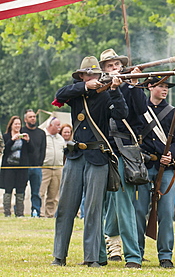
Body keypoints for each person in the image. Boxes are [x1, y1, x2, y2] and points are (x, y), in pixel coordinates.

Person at [52, 56, 128, 267]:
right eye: (88, 74)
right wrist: (85, 86)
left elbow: (122, 114)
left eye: (94, 74)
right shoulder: (77, 93)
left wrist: (114, 89)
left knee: (94, 210)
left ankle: (92, 258)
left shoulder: (106, 96)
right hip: (76, 155)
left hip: (97, 157)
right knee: (66, 208)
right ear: (82, 76)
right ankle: (59, 256)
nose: (92, 76)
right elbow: (60, 94)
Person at [100, 48, 147, 269]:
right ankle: (106, 247)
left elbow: (141, 109)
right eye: (109, 66)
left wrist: (135, 84)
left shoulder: (131, 86)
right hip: (100, 151)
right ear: (102, 70)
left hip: (123, 150)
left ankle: (132, 256)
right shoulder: (97, 88)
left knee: (124, 203)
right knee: (105, 204)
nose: (114, 68)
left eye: (117, 65)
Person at [133, 77, 175, 268]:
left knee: (167, 212)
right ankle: (136, 254)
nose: (164, 89)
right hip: (144, 166)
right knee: (139, 211)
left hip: (165, 168)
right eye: (161, 85)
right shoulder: (139, 109)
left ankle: (165, 256)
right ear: (150, 87)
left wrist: (171, 155)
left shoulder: (174, 113)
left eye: (166, 86)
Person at [0, 116, 33, 217]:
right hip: (9, 167)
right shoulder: (6, 137)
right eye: (16, 124)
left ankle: (19, 213)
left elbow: (31, 151)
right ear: (11, 125)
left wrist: (28, 141)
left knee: (20, 190)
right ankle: (7, 213)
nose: (18, 126)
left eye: (19, 124)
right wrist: (12, 140)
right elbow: (4, 151)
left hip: (21, 168)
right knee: (8, 189)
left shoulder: (23, 137)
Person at [22, 109, 46, 217]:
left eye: (34, 116)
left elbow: (43, 150)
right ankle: (19, 211)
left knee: (36, 192)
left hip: (36, 167)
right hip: (23, 167)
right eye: (30, 117)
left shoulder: (41, 133)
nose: (33, 118)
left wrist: (39, 163)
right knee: (20, 191)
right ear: (25, 119)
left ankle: (36, 211)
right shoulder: (21, 132)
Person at [39, 117, 65, 218]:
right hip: (45, 168)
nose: (59, 127)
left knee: (53, 195)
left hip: (58, 168)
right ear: (50, 125)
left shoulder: (60, 138)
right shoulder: (42, 135)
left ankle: (50, 214)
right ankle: (40, 213)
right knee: (41, 192)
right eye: (57, 125)